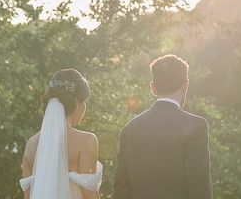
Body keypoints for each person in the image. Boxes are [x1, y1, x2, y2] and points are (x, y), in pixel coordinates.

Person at [113, 54, 212, 199]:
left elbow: (121, 189)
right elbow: (199, 187)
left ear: (153, 88)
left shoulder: (129, 129)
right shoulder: (196, 126)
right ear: (185, 86)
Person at [20, 69, 102, 199]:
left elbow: (28, 196)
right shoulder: (86, 141)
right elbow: (89, 195)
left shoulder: (30, 145)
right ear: (76, 101)